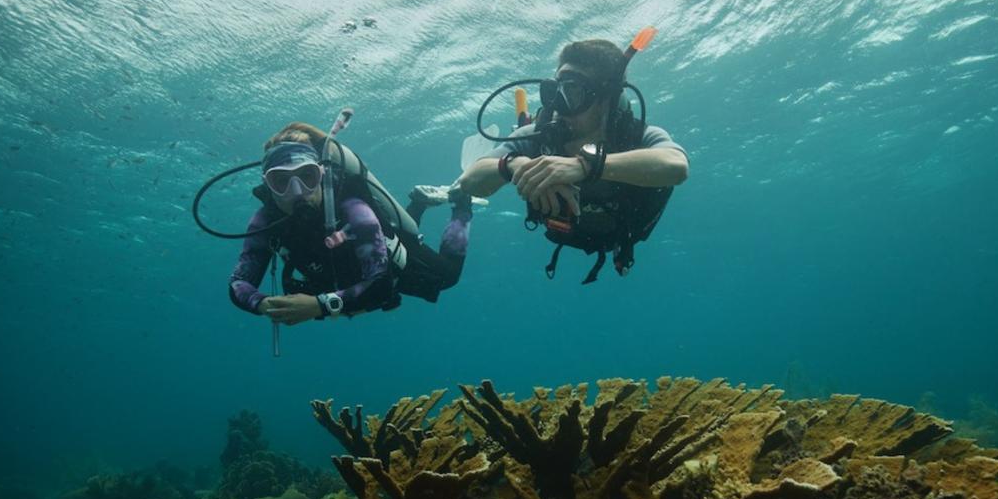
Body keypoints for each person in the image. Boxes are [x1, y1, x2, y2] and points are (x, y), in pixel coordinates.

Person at [457, 38, 689, 283]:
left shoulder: (635, 136)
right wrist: (515, 165)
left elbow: (677, 165)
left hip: (618, 234)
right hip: (560, 230)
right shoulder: (539, 135)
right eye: (555, 91)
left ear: (607, 99)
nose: (558, 106)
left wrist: (585, 166)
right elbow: (469, 181)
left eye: (573, 92)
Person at [228, 122, 473, 325]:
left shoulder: (353, 209)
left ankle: (461, 203)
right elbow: (239, 283)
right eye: (281, 181)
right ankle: (418, 203)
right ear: (268, 185)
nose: (297, 191)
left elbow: (381, 284)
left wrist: (319, 305)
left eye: (307, 176)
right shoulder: (266, 221)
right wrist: (262, 304)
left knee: (448, 277)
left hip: (386, 264)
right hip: (345, 280)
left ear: (321, 175)